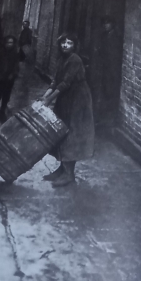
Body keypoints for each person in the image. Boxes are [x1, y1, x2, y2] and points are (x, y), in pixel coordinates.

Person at [41, 35, 95, 188]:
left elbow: (65, 83)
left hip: (78, 99)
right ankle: (62, 169)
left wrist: (49, 100)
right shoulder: (62, 59)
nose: (65, 45)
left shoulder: (75, 59)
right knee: (61, 131)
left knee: (72, 134)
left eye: (69, 43)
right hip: (66, 98)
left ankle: (69, 174)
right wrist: (45, 96)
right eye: (63, 42)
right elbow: (56, 81)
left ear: (74, 45)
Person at [0, 33, 21, 126]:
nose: (9, 44)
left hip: (9, 79)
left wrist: (13, 74)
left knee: (6, 95)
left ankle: (2, 111)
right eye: (8, 42)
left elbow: (16, 66)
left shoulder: (15, 53)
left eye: (11, 43)